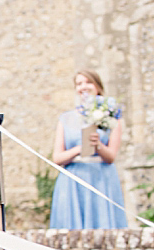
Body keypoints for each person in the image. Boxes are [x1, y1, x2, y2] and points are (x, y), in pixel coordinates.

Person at [49, 70, 128, 229]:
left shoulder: (111, 116)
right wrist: (80, 148)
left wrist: (97, 145)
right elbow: (57, 158)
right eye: (79, 83)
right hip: (73, 178)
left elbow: (111, 156)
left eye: (88, 82)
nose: (83, 86)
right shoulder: (66, 118)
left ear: (97, 87)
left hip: (101, 177)